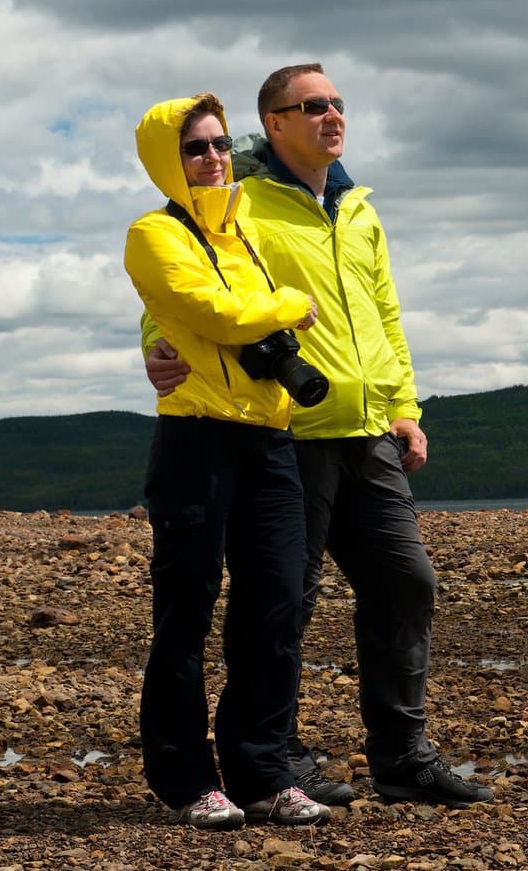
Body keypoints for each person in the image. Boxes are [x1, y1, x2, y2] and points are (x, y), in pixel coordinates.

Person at [144, 65, 494, 810]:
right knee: (281, 604)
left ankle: (402, 759)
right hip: (290, 430)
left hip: (368, 430)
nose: (333, 115)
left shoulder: (360, 207)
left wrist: (405, 404)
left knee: (407, 584)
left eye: (338, 104)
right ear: (274, 123)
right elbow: (191, 277)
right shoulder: (245, 201)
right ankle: (279, 762)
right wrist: (158, 348)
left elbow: (384, 311)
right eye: (314, 106)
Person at [124, 93, 330, 829]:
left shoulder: (247, 236)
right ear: (167, 162)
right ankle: (186, 781)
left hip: (268, 442)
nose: (213, 159)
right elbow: (209, 312)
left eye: (218, 146)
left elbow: (244, 315)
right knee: (185, 614)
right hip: (195, 440)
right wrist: (286, 306)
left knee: (273, 608)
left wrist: (275, 309)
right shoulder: (152, 234)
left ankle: (262, 773)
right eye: (195, 149)